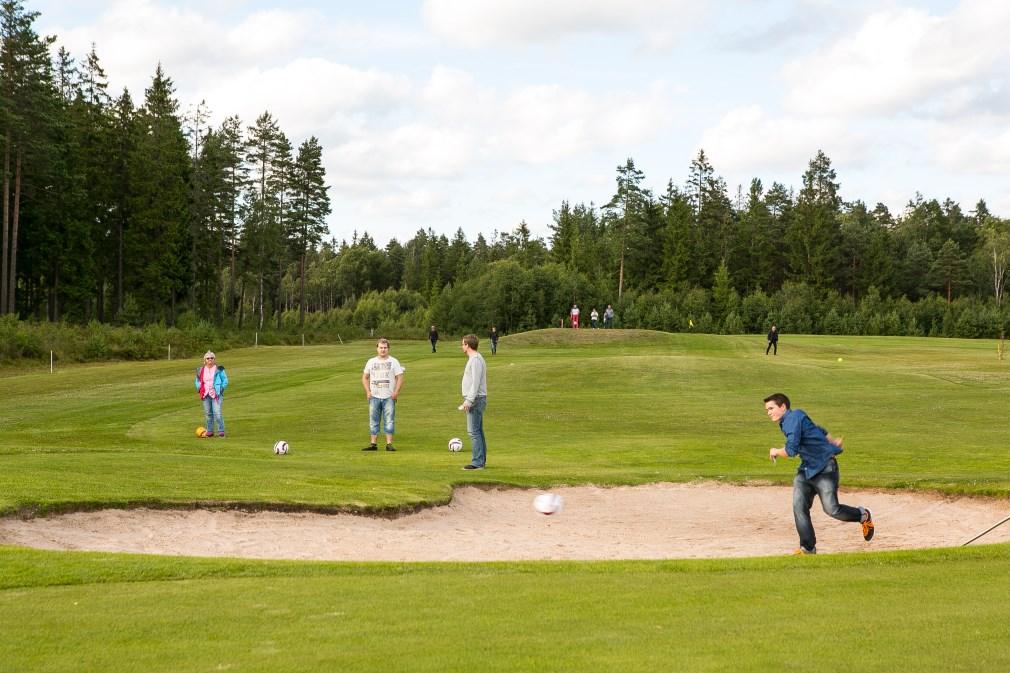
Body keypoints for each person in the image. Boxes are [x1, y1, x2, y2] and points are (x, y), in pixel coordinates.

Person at [764, 393, 874, 555]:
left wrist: (775, 451)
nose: (768, 412)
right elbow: (819, 430)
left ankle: (863, 515)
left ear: (783, 407)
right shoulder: (793, 418)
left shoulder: (792, 420)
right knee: (799, 506)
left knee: (832, 509)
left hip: (824, 468)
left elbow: (791, 450)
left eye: (771, 408)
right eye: (767, 410)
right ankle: (807, 548)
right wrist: (831, 441)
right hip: (807, 469)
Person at [362, 338, 405, 452]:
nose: (383, 350)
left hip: (389, 396)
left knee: (389, 420)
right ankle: (373, 444)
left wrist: (396, 392)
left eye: (385, 348)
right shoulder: (371, 362)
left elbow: (400, 377)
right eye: (381, 347)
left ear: (388, 349)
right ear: (377, 348)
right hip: (374, 396)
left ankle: (389, 444)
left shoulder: (394, 361)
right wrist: (368, 391)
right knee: (373, 420)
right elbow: (365, 377)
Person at [460, 334, 488, 470]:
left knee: (473, 432)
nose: (461, 346)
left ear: (467, 345)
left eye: (463, 344)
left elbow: (476, 383)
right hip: (475, 398)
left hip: (476, 399)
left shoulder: (475, 359)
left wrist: (469, 401)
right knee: (478, 431)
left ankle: (477, 462)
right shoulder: (474, 358)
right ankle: (481, 460)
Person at [194, 351, 228, 438]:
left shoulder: (219, 369)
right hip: (205, 394)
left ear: (214, 359)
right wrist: (199, 388)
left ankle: (221, 431)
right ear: (204, 360)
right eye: (208, 358)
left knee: (217, 413)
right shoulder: (200, 370)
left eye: (212, 358)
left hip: (216, 394)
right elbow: (197, 381)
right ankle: (210, 431)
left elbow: (225, 380)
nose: (210, 360)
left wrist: (221, 389)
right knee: (208, 413)